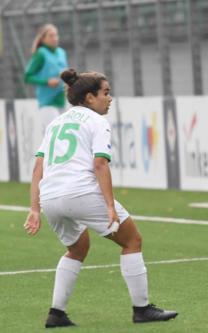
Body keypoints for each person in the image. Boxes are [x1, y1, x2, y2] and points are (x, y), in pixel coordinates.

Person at [23, 69, 177, 328]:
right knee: (132, 240)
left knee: (77, 248)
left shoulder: (56, 123)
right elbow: (99, 166)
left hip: (50, 196)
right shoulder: (97, 122)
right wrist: (109, 206)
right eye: (105, 92)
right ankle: (141, 309)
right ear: (89, 97)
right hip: (81, 191)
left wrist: (35, 208)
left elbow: (38, 168)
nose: (110, 98)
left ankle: (56, 313)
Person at [24, 24, 68, 134]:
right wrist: (46, 82)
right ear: (43, 39)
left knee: (64, 134)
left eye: (56, 35)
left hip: (62, 99)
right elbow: (27, 77)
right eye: (51, 36)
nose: (55, 38)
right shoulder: (41, 54)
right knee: (55, 133)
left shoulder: (62, 52)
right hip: (47, 101)